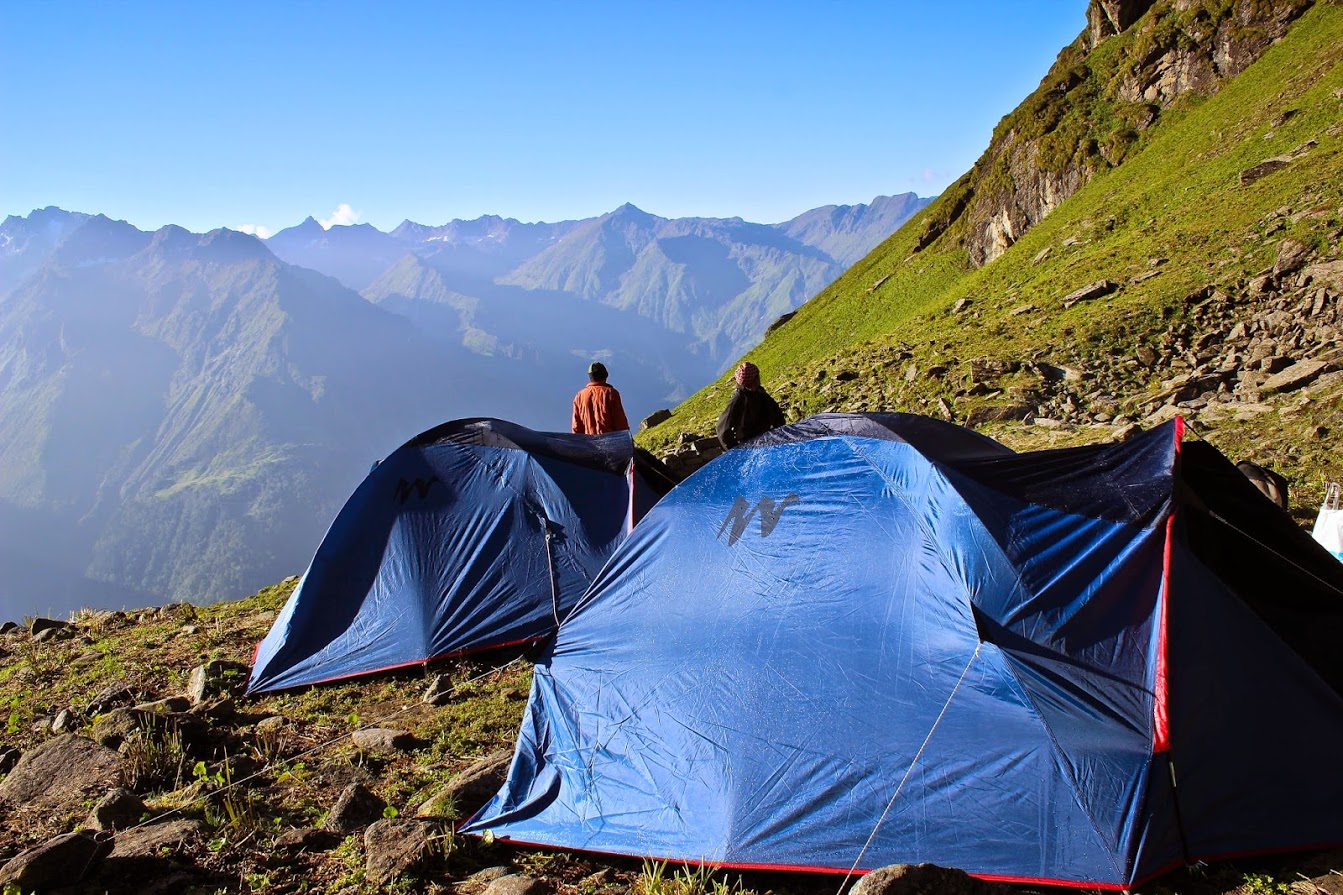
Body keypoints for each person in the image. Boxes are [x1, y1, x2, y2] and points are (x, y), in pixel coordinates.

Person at [716, 361, 786, 449]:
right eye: (757, 376)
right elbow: (723, 430)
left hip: (768, 439)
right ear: (753, 380)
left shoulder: (759, 392)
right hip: (749, 446)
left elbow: (776, 412)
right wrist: (736, 451)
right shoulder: (738, 400)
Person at [572, 361, 630, 435]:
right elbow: (620, 421)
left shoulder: (579, 396)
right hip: (611, 442)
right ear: (605, 376)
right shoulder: (611, 393)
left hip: (589, 444)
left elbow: (576, 427)